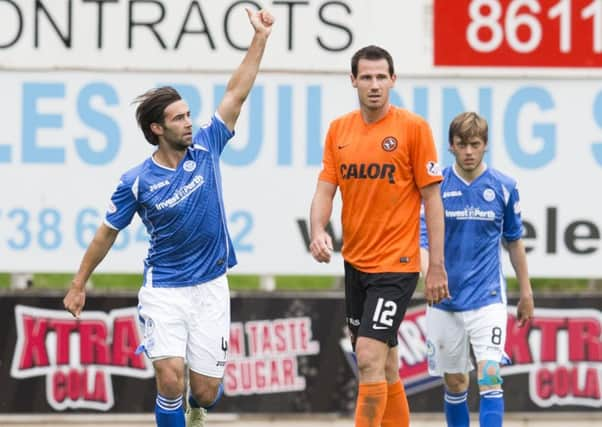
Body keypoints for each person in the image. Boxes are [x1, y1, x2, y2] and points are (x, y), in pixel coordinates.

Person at [62, 9, 274, 427]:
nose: (190, 122)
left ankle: (198, 412)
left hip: (211, 286)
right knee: (170, 377)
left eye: (189, 114)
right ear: (157, 129)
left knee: (207, 391)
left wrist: (261, 38)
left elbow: (236, 94)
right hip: (165, 290)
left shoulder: (208, 147)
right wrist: (78, 283)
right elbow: (107, 234)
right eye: (179, 118)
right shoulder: (136, 181)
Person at [309, 45, 449, 427]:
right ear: (353, 80)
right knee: (386, 365)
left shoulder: (413, 129)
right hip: (356, 263)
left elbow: (433, 200)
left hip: (396, 265)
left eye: (381, 77)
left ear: (393, 80)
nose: (374, 85)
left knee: (368, 357)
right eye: (366, 77)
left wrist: (435, 265)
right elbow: (325, 188)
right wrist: (318, 230)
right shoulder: (340, 130)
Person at [420, 112, 535, 427]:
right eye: (462, 144)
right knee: (456, 383)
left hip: (488, 298)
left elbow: (515, 241)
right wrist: (428, 275)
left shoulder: (504, 186)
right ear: (451, 146)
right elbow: (423, 240)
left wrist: (526, 292)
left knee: (489, 376)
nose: (468, 151)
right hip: (445, 299)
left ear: (485, 145)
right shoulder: (436, 187)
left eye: (475, 144)